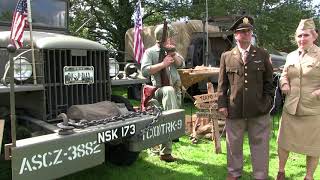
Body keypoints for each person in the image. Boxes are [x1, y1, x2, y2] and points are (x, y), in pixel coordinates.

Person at [217, 16, 274, 180]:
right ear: (235, 35)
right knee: (233, 144)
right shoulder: (226, 56)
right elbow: (222, 85)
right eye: (241, 32)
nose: (245, 34)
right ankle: (234, 173)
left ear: (252, 34)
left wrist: (268, 102)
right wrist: (222, 105)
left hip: (259, 109)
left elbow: (269, 83)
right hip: (234, 109)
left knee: (260, 145)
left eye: (248, 31)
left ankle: (260, 175)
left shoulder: (262, 54)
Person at [276, 18, 320, 180]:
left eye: (306, 35)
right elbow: (284, 74)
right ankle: (281, 171)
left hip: (313, 109)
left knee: (314, 147)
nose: (302, 39)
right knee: (283, 142)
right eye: (299, 36)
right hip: (291, 107)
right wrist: (284, 84)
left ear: (314, 36)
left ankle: (309, 176)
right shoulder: (291, 56)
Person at [141, 23, 185, 162]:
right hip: (160, 90)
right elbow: (145, 70)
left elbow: (181, 64)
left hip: (176, 91)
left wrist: (173, 55)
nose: (172, 40)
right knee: (168, 94)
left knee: (168, 117)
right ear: (161, 38)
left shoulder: (172, 50)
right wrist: (162, 64)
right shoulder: (150, 52)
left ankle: (166, 153)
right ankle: (172, 135)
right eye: (170, 38)